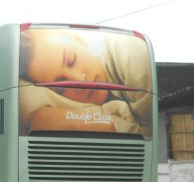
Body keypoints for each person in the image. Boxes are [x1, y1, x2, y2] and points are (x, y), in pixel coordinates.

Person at [19, 28, 153, 137]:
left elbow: (150, 139)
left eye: (72, 60)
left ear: (78, 40)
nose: (79, 81)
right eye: (61, 88)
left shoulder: (132, 57)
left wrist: (76, 123)